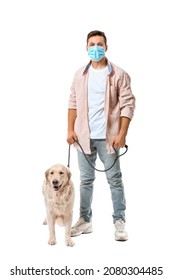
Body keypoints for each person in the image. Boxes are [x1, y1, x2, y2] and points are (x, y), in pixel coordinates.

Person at [67, 30, 135, 241]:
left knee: (114, 180)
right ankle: (85, 220)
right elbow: (72, 103)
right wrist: (70, 129)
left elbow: (128, 105)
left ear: (106, 47)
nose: (95, 48)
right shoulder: (80, 74)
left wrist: (122, 134)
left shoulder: (119, 74)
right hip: (82, 138)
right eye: (92, 44)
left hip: (110, 138)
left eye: (99, 44)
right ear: (86, 47)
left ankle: (119, 221)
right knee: (85, 181)